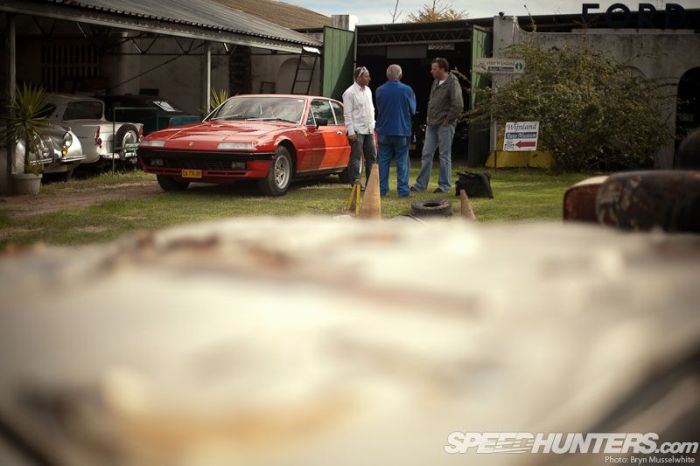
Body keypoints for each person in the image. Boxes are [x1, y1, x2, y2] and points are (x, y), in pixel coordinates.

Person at [412, 57, 463, 193]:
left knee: (444, 155)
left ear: (442, 69)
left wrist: (448, 120)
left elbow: (458, 104)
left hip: (444, 125)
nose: (431, 71)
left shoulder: (453, 83)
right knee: (426, 153)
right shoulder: (436, 81)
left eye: (434, 69)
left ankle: (444, 185)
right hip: (432, 123)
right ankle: (420, 184)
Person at [375, 64, 417, 198]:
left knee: (383, 161)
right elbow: (413, 110)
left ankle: (382, 190)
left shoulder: (379, 90)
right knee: (402, 161)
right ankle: (403, 190)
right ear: (400, 75)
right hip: (401, 129)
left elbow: (379, 108)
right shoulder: (407, 90)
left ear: (387, 75)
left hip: (384, 129)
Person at [342, 66, 376, 187]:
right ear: (359, 77)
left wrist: (372, 125)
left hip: (368, 129)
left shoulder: (368, 91)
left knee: (372, 156)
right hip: (356, 130)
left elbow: (371, 109)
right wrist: (350, 131)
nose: (369, 78)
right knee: (356, 156)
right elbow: (347, 113)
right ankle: (355, 181)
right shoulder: (349, 93)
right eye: (366, 76)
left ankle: (370, 183)